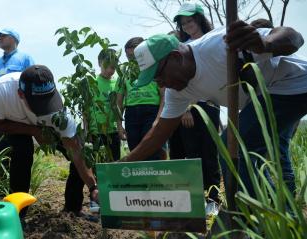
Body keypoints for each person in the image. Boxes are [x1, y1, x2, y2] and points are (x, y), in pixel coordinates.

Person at [123, 20, 305, 200]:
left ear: (176, 57)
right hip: (264, 96)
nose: (160, 84)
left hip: (293, 83)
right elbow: (158, 133)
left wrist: (265, 44)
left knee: (234, 145)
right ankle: (276, 217)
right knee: (245, 153)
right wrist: (123, 163)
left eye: (158, 76)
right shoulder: (176, 90)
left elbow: (295, 38)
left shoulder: (218, 46)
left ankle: (253, 217)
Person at [0, 65, 99, 220]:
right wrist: (33, 131)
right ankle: (16, 216)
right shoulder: (2, 91)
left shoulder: (61, 112)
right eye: (39, 104)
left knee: (79, 155)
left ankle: (72, 210)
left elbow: (76, 151)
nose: (45, 109)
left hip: (46, 126)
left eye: (48, 102)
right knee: (21, 156)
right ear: (21, 94)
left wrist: (93, 187)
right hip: (10, 125)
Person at [171, 1, 221, 214]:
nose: (187, 26)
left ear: (200, 19)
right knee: (192, 154)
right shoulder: (182, 48)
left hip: (212, 105)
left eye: (190, 21)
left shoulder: (214, 39)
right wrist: (186, 109)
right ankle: (197, 199)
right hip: (191, 108)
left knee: (210, 153)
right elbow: (180, 82)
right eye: (183, 23)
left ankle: (214, 199)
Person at [116, 37, 164, 161]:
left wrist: (158, 118)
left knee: (151, 148)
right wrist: (119, 125)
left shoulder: (154, 67)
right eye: (128, 56)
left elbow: (164, 95)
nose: (131, 59)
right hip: (131, 113)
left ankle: (156, 179)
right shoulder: (124, 71)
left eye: (134, 56)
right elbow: (119, 101)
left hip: (151, 111)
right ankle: (139, 179)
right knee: (134, 149)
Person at [0, 28, 34, 119]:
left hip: (18, 112)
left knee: (19, 133)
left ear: (14, 39)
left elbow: (32, 83)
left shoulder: (25, 58)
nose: (0, 39)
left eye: (4, 36)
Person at [86, 48, 121, 162]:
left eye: (113, 67)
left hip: (113, 131)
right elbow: (85, 109)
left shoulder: (118, 83)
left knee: (114, 165)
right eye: (107, 66)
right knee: (97, 165)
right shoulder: (91, 82)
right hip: (96, 132)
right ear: (99, 63)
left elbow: (120, 107)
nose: (110, 70)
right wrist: (87, 131)